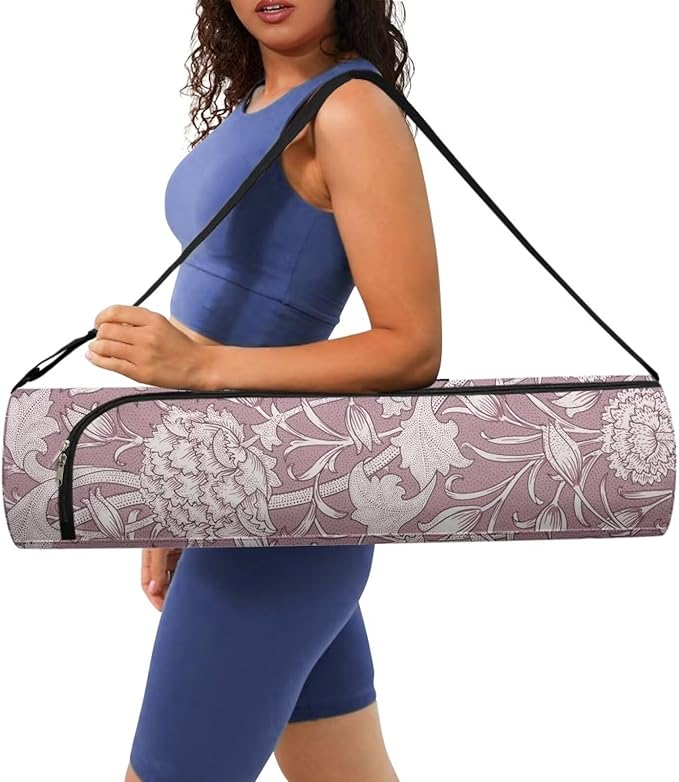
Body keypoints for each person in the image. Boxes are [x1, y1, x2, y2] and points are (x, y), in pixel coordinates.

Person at [86, 2, 441, 780]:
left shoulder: (348, 110)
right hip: (237, 493)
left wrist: (200, 367)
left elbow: (411, 347)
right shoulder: (259, 101)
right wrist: (176, 494)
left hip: (270, 519)